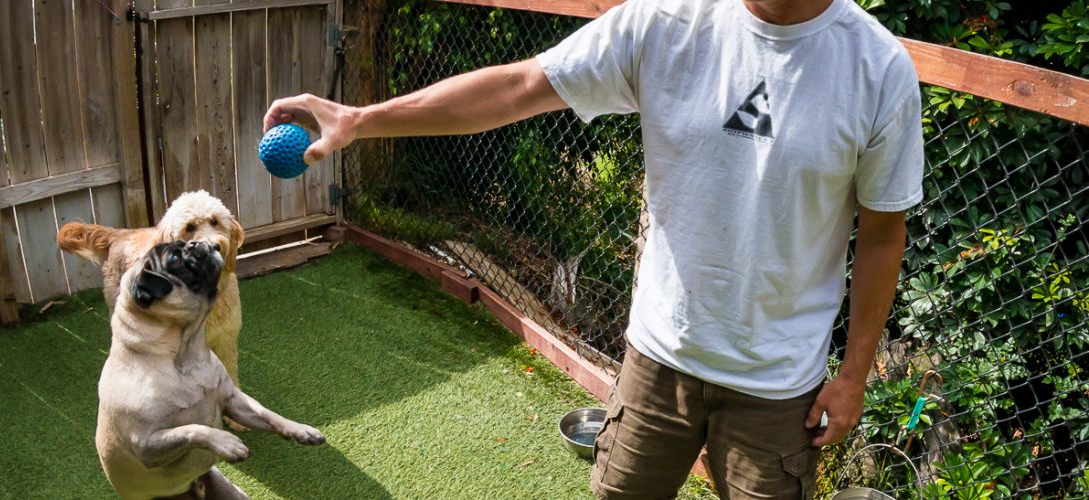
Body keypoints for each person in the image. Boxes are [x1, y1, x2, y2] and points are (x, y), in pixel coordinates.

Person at [264, 0, 923, 497]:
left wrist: (853, 375)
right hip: (658, 360)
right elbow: (517, 87)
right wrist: (363, 119)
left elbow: (882, 232)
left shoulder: (876, 67)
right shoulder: (666, 22)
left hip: (778, 385)